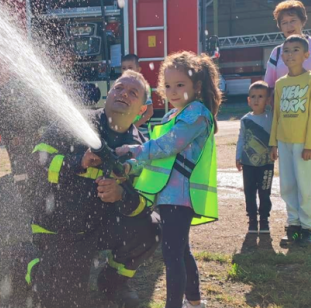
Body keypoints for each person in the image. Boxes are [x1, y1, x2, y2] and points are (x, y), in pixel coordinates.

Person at [28, 70, 161, 308]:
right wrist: (77, 161)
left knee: (150, 226)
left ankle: (113, 283)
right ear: (109, 93)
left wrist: (122, 195)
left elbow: (146, 201)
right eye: (119, 88)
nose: (123, 94)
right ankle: (30, 262)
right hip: (60, 227)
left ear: (142, 109)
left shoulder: (142, 148)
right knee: (64, 300)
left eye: (133, 93)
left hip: (100, 226)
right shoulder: (75, 122)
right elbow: (34, 164)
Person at [117, 51, 222, 308]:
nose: (172, 91)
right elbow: (157, 158)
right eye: (167, 85)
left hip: (180, 197)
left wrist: (133, 150)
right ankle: (195, 302)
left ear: (197, 87)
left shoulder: (197, 113)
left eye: (180, 85)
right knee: (180, 251)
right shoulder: (171, 116)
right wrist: (130, 167)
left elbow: (168, 145)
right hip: (167, 196)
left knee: (172, 254)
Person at [264, 0, 311, 228]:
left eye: (292, 20)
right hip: (290, 125)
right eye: (283, 22)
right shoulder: (278, 53)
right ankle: (298, 222)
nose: (288, 25)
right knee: (294, 178)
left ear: (303, 21)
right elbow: (269, 88)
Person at [236, 81, 274, 234]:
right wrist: (238, 156)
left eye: (261, 96)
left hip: (267, 164)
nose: (257, 100)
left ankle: (264, 219)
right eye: (253, 96)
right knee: (249, 192)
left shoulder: (271, 117)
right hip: (248, 164)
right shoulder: (245, 120)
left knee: (265, 192)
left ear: (268, 100)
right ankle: (252, 219)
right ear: (248, 100)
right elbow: (241, 139)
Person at [121, 53, 154, 128]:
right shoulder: (120, 87)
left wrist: (134, 127)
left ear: (138, 70)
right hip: (124, 127)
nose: (127, 71)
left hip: (140, 129)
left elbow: (149, 112)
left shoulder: (144, 87)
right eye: (123, 68)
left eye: (130, 68)